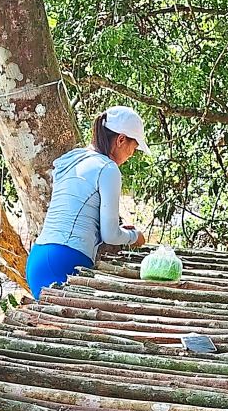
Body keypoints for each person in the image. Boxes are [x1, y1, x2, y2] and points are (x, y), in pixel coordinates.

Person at [25, 105, 149, 299]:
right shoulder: (107, 168)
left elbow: (78, 214)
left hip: (38, 258)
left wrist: (120, 230)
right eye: (132, 149)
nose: (131, 156)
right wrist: (134, 236)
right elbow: (110, 235)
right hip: (65, 260)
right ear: (121, 139)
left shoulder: (72, 159)